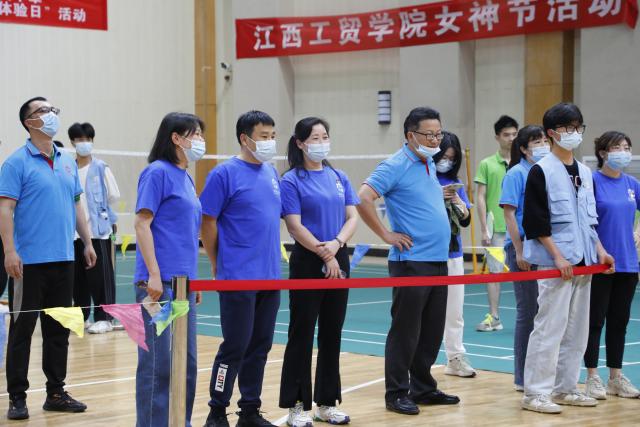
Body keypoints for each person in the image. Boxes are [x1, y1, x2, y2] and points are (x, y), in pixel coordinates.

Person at [357, 107, 459, 416]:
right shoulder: (395, 164)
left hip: (437, 259)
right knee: (406, 331)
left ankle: (423, 388)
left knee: (431, 330)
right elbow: (363, 197)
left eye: (438, 134)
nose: (435, 140)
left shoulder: (428, 163)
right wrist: (386, 234)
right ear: (410, 135)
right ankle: (397, 393)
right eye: (429, 135)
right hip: (411, 261)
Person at [0, 96, 97, 420]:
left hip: (64, 259)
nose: (51, 114)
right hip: (28, 264)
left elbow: (76, 203)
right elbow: (5, 209)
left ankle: (56, 392)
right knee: (22, 331)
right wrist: (10, 251)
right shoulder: (16, 163)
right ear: (29, 122)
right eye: (43, 111)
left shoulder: (67, 161)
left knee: (58, 331)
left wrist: (87, 242)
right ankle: (17, 397)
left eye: (53, 109)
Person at [521, 102, 615, 414]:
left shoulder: (585, 173)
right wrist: (557, 257)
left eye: (578, 127)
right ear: (551, 133)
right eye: (567, 128)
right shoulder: (541, 171)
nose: (574, 133)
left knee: (577, 330)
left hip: (584, 262)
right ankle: (535, 393)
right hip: (555, 265)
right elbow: (535, 222)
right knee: (549, 328)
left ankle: (566, 388)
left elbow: (588, 222)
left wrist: (601, 252)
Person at [201, 111, 281, 427]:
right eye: (264, 136)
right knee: (234, 346)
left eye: (272, 135)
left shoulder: (271, 173)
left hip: (270, 277)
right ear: (245, 138)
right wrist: (217, 262)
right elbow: (207, 221)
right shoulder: (224, 174)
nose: (270, 141)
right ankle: (216, 411)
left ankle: (249, 411)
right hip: (237, 277)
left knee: (260, 346)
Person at [279, 117, 359, 427]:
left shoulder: (339, 176)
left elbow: (352, 217)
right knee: (301, 333)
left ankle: (326, 403)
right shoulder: (291, 180)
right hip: (308, 261)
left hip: (339, 256)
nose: (322, 142)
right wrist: (325, 253)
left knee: (332, 332)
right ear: (300, 143)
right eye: (315, 138)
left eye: (325, 136)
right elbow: (294, 226)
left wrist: (337, 245)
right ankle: (296, 406)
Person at [134, 112, 204, 426]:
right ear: (176, 138)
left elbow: (187, 234)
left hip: (183, 285)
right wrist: (152, 274)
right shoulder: (157, 173)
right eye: (195, 134)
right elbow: (142, 224)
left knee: (186, 364)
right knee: (158, 366)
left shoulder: (186, 177)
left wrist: (194, 281)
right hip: (158, 286)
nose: (200, 140)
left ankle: (180, 422)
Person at [583, 131, 640, 399]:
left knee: (619, 322)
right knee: (595, 321)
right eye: (618, 147)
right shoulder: (592, 182)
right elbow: (586, 222)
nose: (624, 152)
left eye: (627, 147)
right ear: (603, 152)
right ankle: (592, 377)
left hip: (628, 264)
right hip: (600, 264)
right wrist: (601, 251)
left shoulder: (631, 184)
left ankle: (615, 377)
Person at [499, 125, 549, 392]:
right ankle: (522, 377)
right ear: (523, 148)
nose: (543, 146)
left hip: (546, 247)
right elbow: (509, 214)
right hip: (523, 247)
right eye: (536, 142)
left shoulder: (546, 171)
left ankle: (542, 373)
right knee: (528, 312)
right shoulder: (516, 174)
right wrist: (519, 250)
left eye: (545, 141)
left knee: (545, 313)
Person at [68, 122, 120, 334]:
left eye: (88, 139)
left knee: (101, 277)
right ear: (73, 142)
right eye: (80, 139)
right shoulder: (68, 168)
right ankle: (81, 317)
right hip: (74, 234)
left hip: (98, 232)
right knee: (77, 279)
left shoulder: (101, 168)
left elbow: (113, 195)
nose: (84, 143)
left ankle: (105, 318)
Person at [432, 132, 475, 378]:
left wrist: (457, 198)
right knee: (425, 312)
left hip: (453, 253)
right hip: (426, 254)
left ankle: (455, 357)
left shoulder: (454, 181)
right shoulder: (423, 178)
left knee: (455, 311)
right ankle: (417, 361)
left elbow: (466, 219)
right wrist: (435, 196)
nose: (446, 162)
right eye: (443, 157)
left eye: (451, 158)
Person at [474, 115, 518, 332]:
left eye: (514, 134)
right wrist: (484, 229)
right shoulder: (487, 164)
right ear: (497, 137)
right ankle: (494, 317)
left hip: (521, 229)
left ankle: (534, 317)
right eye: (506, 135)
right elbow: (480, 197)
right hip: (497, 230)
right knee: (494, 274)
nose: (511, 138)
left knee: (529, 274)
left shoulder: (524, 164)